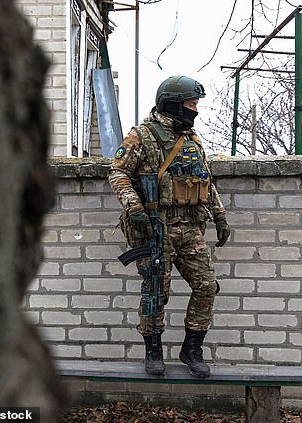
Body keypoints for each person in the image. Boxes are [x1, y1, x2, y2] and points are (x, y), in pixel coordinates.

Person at [108, 75, 230, 378]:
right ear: (173, 104)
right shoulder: (141, 136)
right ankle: (153, 350)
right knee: (155, 292)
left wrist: (219, 215)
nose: (195, 110)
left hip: (190, 227)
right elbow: (118, 173)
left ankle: (192, 349)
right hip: (155, 227)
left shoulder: (192, 138)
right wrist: (133, 207)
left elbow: (205, 180)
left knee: (206, 286)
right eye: (191, 104)